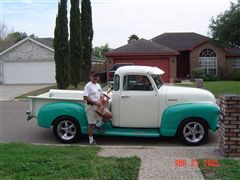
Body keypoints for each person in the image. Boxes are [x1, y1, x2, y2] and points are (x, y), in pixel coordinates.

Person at [83, 70, 112, 145]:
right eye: (93, 76)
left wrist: (103, 100)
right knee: (91, 124)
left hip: (99, 106)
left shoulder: (98, 85)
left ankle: (98, 125)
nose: (95, 77)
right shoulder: (88, 86)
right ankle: (91, 141)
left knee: (109, 115)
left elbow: (101, 95)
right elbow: (85, 97)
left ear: (98, 77)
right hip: (91, 107)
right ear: (90, 77)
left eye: (96, 76)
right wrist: (95, 102)